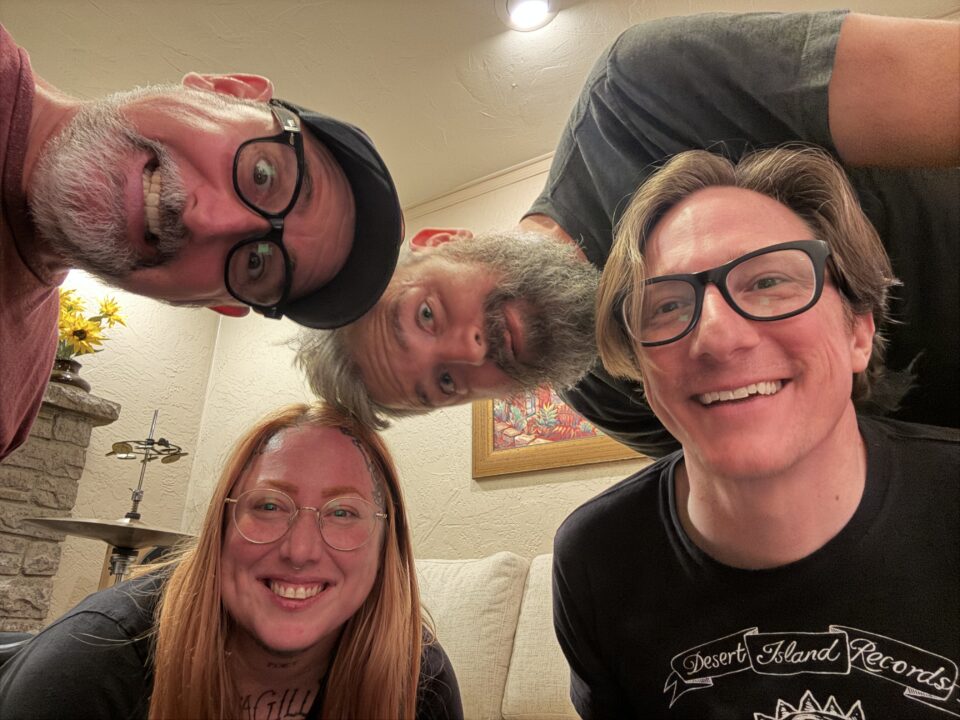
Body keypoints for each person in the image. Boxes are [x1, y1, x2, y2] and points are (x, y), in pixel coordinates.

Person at [296, 10, 959, 456]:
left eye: (425, 314)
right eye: (444, 383)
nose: (467, 350)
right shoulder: (605, 398)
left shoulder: (638, 95)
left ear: (442, 243)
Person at [550, 146, 959, 719]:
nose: (718, 337)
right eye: (666, 306)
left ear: (859, 332)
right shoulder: (596, 560)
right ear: (642, 370)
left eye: (768, 280)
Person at [0, 24, 404, 461]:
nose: (205, 219)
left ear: (216, 304)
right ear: (226, 90)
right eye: (263, 174)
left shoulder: (17, 394)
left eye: (257, 263)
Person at [0, 403, 463, 719]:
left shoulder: (417, 680)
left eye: (343, 513)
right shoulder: (91, 661)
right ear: (220, 528)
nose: (300, 550)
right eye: (269, 506)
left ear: (387, 543)